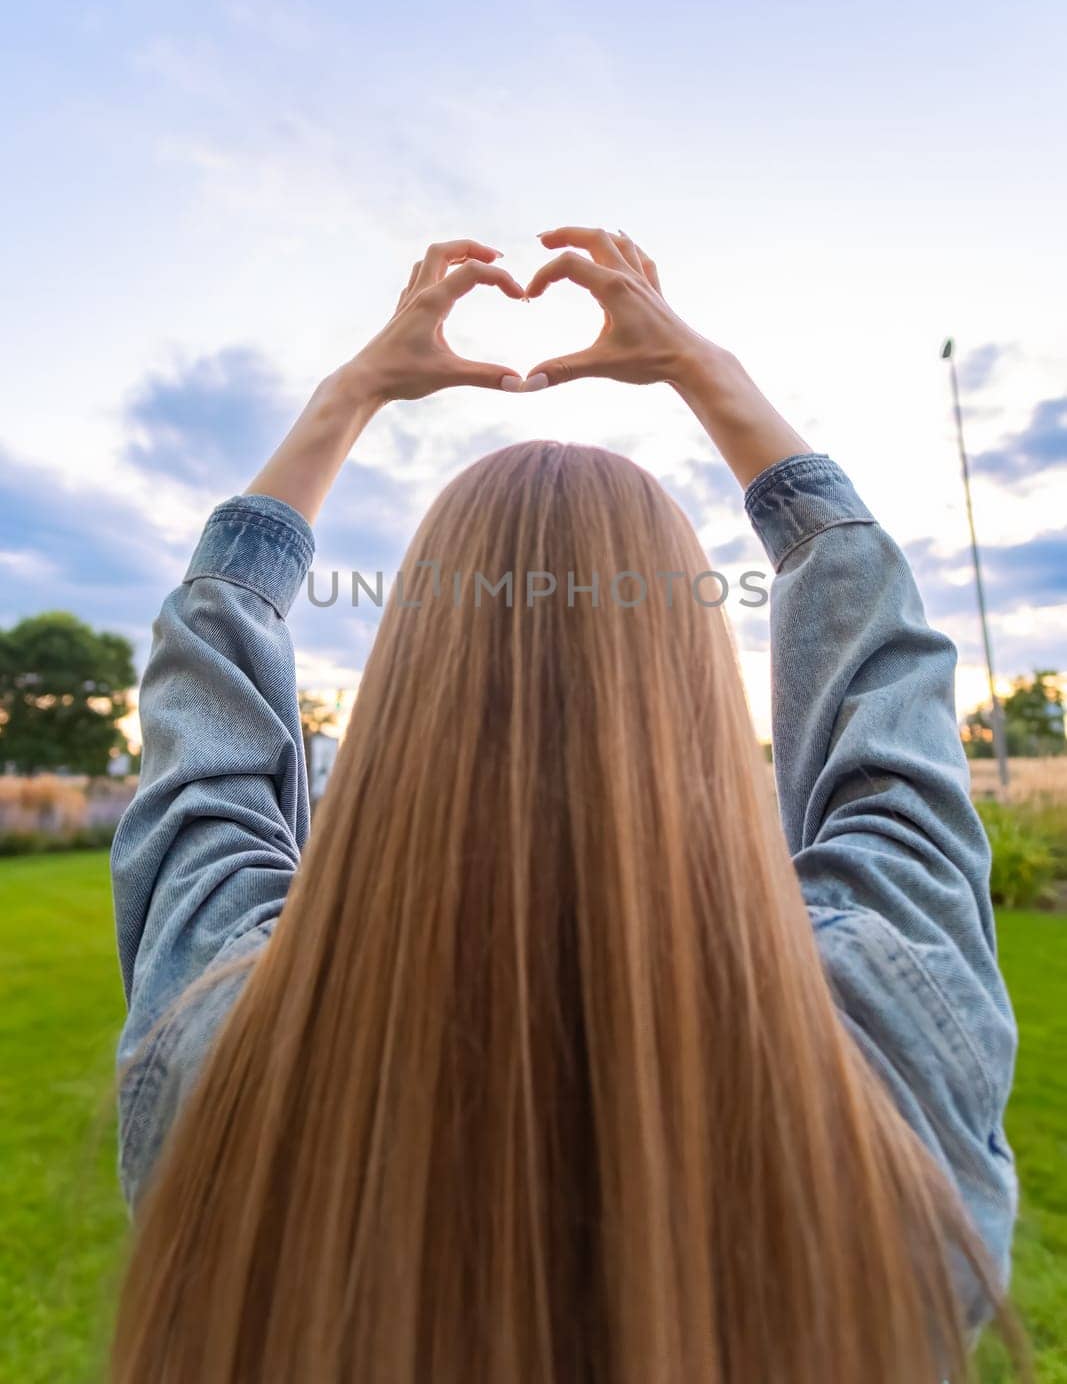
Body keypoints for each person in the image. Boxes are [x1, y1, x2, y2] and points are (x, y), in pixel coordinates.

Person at [109, 229, 1022, 1383]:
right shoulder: (878, 1029)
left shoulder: (229, 1045)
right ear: (693, 687)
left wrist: (351, 395)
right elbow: (885, 703)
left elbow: (205, 737)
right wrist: (705, 372)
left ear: (404, 687)